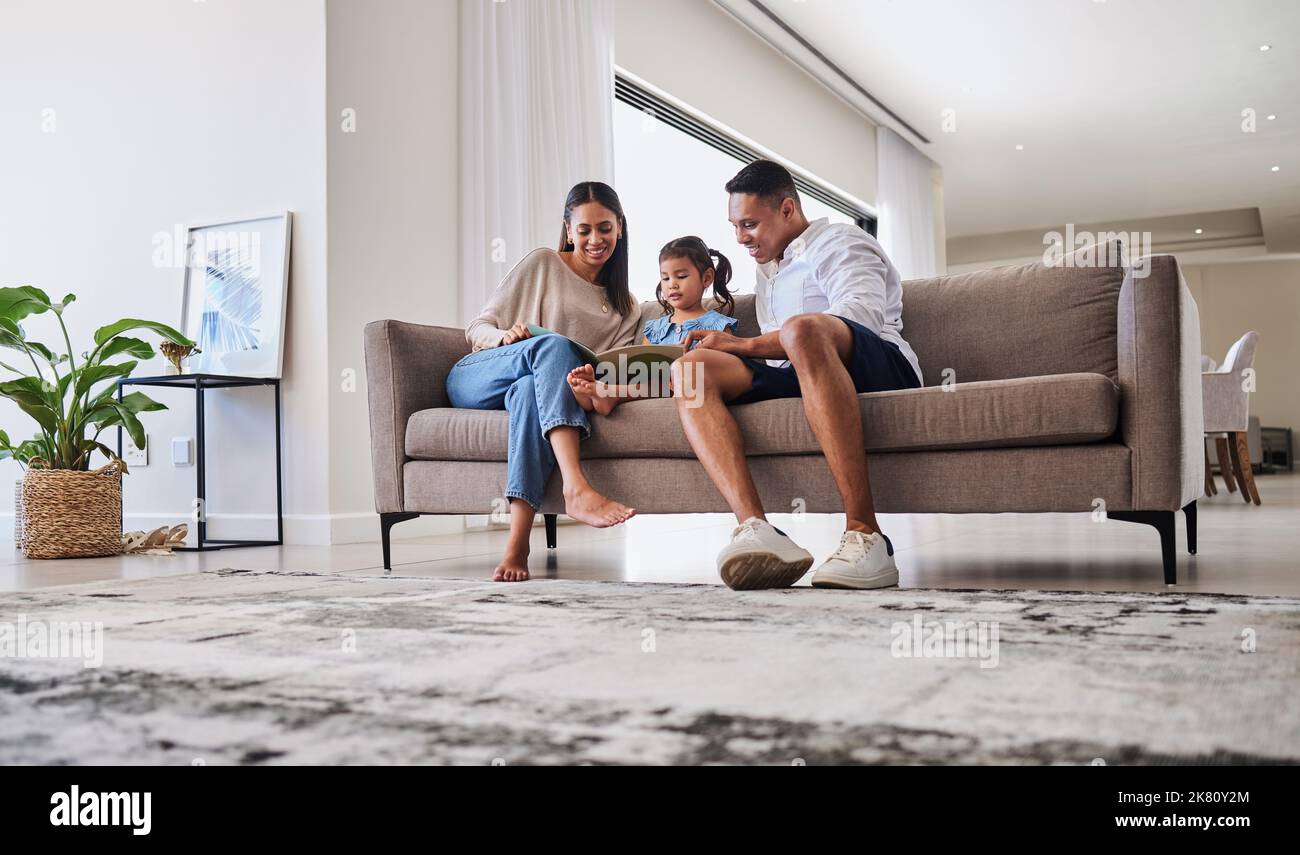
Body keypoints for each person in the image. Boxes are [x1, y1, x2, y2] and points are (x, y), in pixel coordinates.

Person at [670, 160, 923, 591]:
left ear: (787, 209)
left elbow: (857, 317)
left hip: (877, 363)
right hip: (800, 367)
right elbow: (778, 350)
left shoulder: (840, 241)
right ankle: (758, 529)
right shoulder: (769, 269)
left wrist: (744, 345)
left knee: (802, 329)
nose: (740, 238)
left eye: (750, 224)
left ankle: (866, 534)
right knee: (689, 369)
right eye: (734, 226)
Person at [445, 181, 640, 582]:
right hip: (481, 375)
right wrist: (505, 338)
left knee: (531, 394)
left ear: (619, 227)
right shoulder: (543, 263)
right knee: (551, 347)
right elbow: (477, 327)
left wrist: (592, 382)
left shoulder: (627, 307)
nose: (595, 239)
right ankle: (576, 487)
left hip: (534, 388)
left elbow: (612, 369)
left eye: (604, 228)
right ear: (568, 229)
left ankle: (517, 546)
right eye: (583, 229)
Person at [566, 235, 738, 415]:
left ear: (707, 278)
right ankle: (596, 392)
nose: (672, 285)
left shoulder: (717, 326)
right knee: (637, 375)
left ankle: (607, 394)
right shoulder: (656, 328)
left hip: (686, 386)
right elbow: (641, 367)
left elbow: (724, 371)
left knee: (671, 380)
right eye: (665, 278)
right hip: (652, 386)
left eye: (681, 276)